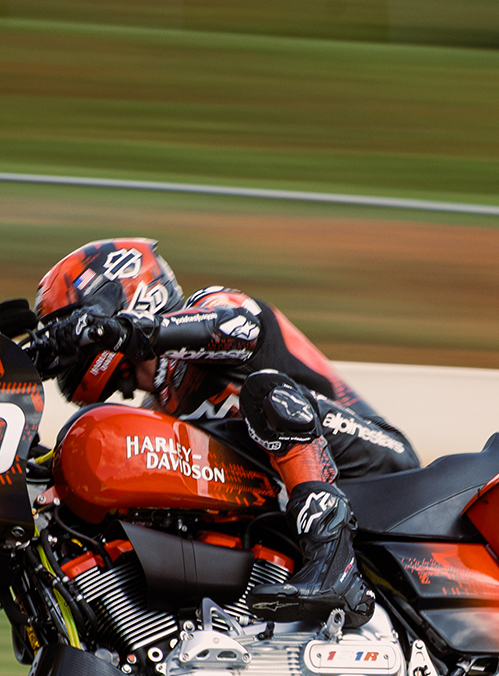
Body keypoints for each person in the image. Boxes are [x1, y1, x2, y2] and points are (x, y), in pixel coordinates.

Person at [22, 238, 418, 627]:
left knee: (267, 394)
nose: (70, 340)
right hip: (293, 504)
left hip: (376, 461)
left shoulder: (212, 304)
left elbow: (239, 329)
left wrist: (119, 331)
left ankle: (335, 569)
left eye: (71, 322)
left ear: (121, 297)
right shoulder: (157, 406)